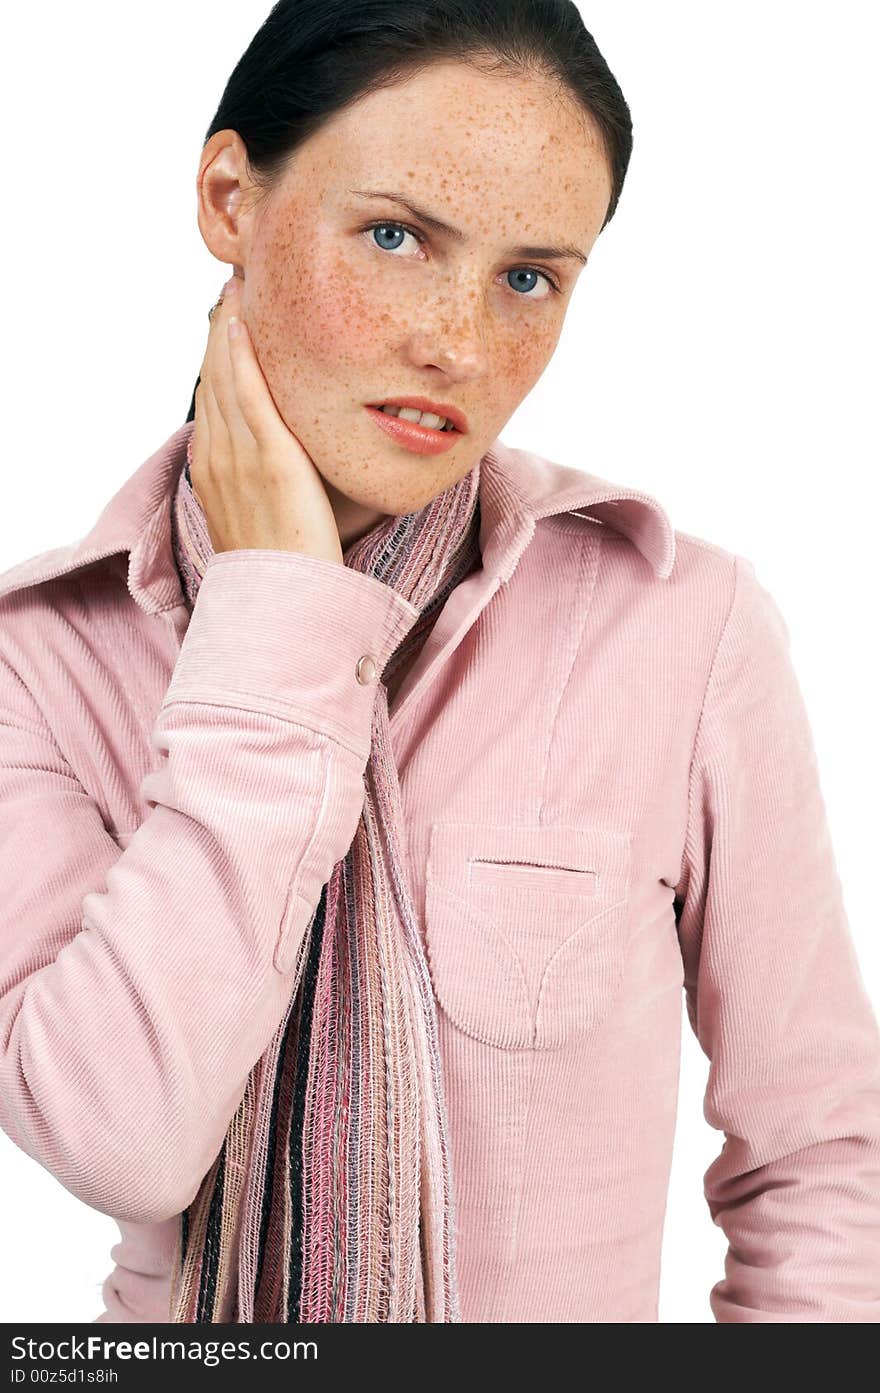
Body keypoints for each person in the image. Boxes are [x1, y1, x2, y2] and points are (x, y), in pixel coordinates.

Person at [1, 0, 878, 1326]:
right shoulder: (36, 661)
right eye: (399, 237)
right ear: (231, 197)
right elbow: (121, 1133)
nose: (461, 344)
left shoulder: (681, 627)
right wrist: (277, 614)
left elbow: (822, 1158)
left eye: (530, 276)